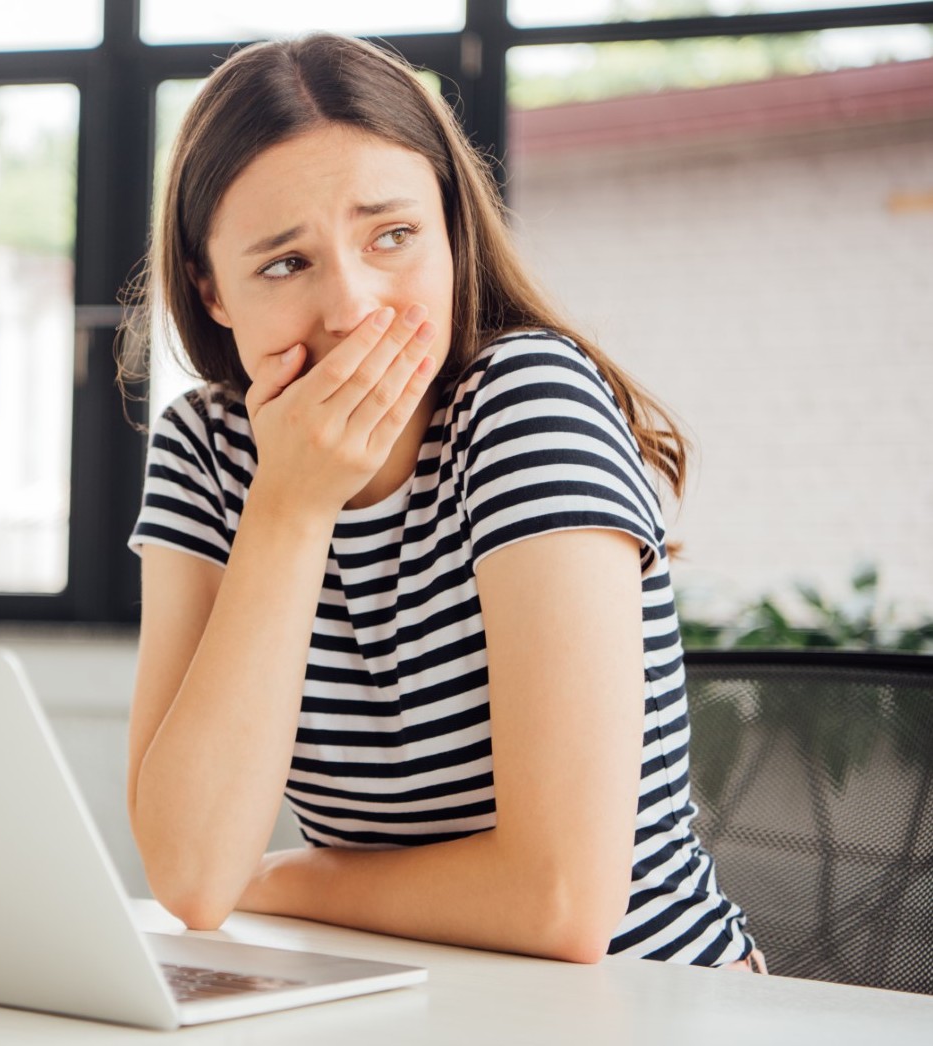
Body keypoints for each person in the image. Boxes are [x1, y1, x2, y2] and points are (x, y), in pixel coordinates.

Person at [122, 33, 762, 969]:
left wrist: (285, 881)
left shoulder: (525, 403)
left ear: (453, 232)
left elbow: (562, 906)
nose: (353, 307)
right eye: (284, 264)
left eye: (393, 236)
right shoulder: (205, 449)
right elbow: (190, 871)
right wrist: (290, 509)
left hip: (646, 1000)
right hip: (407, 999)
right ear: (210, 290)